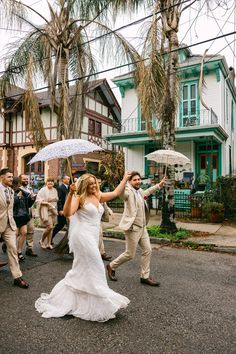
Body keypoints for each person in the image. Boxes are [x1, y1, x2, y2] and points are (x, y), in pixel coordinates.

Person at [35, 172, 131, 322]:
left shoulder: (98, 195)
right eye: (90, 184)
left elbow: (117, 192)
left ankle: (78, 297)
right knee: (97, 265)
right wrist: (70, 194)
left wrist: (125, 178)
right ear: (85, 185)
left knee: (82, 268)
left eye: (94, 183)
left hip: (92, 235)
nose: (93, 185)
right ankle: (102, 300)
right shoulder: (78, 197)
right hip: (82, 235)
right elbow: (67, 213)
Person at [107, 171, 166, 287]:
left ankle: (145, 276)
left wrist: (159, 185)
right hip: (133, 228)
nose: (138, 181)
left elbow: (147, 192)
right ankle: (111, 266)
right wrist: (123, 180)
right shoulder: (127, 191)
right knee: (130, 254)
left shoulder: (139, 191)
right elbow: (121, 194)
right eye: (135, 180)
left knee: (148, 250)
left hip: (142, 227)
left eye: (139, 179)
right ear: (130, 181)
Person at [0, 168, 29, 288]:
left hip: (9, 225)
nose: (12, 179)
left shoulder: (11, 191)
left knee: (12, 249)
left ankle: (17, 277)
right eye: (9, 177)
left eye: (12, 177)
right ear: (2, 177)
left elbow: (10, 210)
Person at [36, 178, 58, 249]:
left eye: (52, 181)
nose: (50, 182)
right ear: (46, 182)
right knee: (49, 227)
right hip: (46, 210)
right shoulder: (43, 190)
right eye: (49, 181)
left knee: (51, 228)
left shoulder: (55, 190)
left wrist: (53, 200)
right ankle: (41, 240)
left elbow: (56, 198)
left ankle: (48, 243)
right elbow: (38, 200)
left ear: (53, 183)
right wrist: (47, 202)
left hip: (53, 210)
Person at [19, 174, 37, 257]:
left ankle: (29, 248)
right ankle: (7, 243)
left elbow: (31, 201)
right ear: (20, 180)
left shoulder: (30, 188)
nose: (26, 180)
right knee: (20, 232)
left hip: (30, 212)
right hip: (21, 214)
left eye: (27, 179)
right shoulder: (18, 189)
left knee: (31, 230)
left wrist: (33, 197)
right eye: (24, 179)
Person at [97, 177, 113, 261]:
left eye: (100, 182)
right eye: (97, 182)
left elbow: (104, 204)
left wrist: (109, 210)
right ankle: (98, 254)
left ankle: (102, 253)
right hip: (90, 220)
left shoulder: (100, 192)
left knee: (100, 235)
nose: (99, 184)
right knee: (98, 236)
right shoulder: (90, 193)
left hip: (97, 219)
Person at [51, 175, 70, 245]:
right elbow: (59, 200)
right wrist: (60, 209)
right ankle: (50, 238)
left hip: (68, 210)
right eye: (67, 179)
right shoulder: (60, 188)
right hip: (62, 210)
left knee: (68, 226)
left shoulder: (69, 187)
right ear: (63, 180)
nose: (69, 180)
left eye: (69, 179)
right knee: (60, 225)